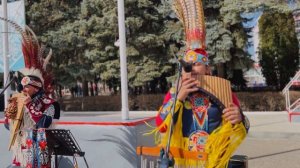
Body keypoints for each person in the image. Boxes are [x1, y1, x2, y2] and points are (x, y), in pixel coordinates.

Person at [153, 0, 249, 167]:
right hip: (186, 160)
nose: (192, 70)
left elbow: (244, 126)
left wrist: (240, 119)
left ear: (207, 69)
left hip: (215, 160)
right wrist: (180, 97)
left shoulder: (223, 92)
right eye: (187, 67)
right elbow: (160, 126)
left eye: (197, 64)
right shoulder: (174, 93)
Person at [1, 18, 60, 168]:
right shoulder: (19, 100)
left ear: (37, 87)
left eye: (28, 86)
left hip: (39, 152)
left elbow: (44, 124)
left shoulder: (50, 104)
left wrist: (30, 107)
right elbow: (8, 127)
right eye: (23, 86)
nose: (24, 89)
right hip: (21, 150)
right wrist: (10, 117)